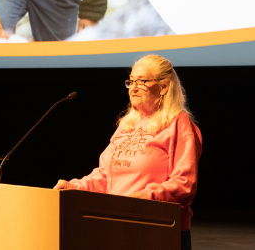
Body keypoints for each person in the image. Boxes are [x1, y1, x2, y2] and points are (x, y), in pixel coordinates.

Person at [54, 54, 202, 250]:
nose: (133, 87)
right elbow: (105, 175)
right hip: (117, 224)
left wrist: (146, 197)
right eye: (131, 81)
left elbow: (185, 183)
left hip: (157, 229)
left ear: (164, 87)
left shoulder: (178, 123)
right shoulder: (126, 125)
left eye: (142, 81)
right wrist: (75, 187)